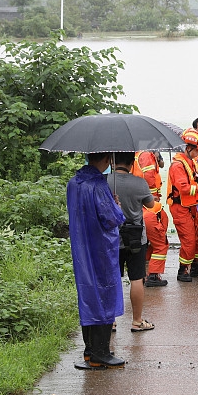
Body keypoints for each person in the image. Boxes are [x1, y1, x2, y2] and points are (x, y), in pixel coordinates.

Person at [67, 152, 126, 368]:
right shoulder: (98, 184)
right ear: (106, 160)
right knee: (104, 292)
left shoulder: (74, 183)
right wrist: (117, 206)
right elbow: (112, 218)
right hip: (101, 248)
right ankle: (101, 352)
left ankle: (89, 350)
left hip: (81, 246)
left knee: (88, 293)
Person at [109, 152, 156, 332]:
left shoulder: (105, 182)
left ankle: (111, 321)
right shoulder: (139, 182)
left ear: (112, 161)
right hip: (136, 237)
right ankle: (137, 321)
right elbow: (151, 205)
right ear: (131, 163)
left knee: (113, 278)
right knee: (136, 278)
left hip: (113, 238)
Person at [167, 128, 198, 282]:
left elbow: (196, 181)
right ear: (189, 148)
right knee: (189, 239)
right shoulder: (178, 166)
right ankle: (183, 269)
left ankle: (197, 266)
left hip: (191, 206)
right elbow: (184, 188)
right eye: (197, 150)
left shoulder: (190, 163)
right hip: (180, 207)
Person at [143, 201, 170, 287]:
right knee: (161, 246)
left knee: (147, 246)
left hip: (138, 216)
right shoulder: (162, 213)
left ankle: (143, 274)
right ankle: (153, 276)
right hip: (150, 218)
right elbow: (163, 231)